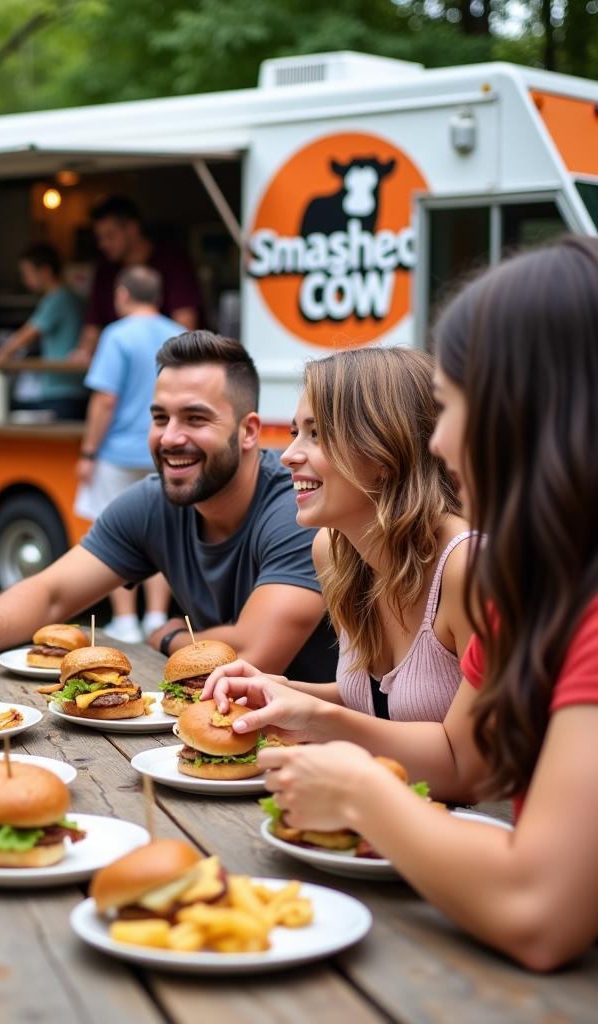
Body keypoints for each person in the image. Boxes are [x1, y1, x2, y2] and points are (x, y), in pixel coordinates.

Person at [208, 237, 598, 969]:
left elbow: (538, 913)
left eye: (453, 407)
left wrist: (359, 793)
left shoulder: (506, 578)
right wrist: (306, 706)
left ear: (532, 412)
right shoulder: (547, 583)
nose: (440, 442)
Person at [0, 330, 337, 682]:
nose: (170, 437)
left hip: (323, 751)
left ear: (249, 432)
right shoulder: (154, 501)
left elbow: (252, 655)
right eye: (159, 418)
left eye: (194, 418)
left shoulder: (296, 508)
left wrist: (168, 638)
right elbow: (51, 593)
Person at [265, 347, 474, 721]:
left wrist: (318, 719)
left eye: (317, 434)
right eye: (296, 433)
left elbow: (466, 761)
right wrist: (272, 690)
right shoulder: (332, 550)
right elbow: (377, 709)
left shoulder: (467, 567)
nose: (288, 455)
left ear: (383, 450)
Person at [74, 265, 180, 643]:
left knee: (115, 535)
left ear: (121, 295)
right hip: (167, 448)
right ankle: (154, 616)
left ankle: (124, 620)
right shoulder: (179, 335)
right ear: (159, 297)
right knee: (163, 533)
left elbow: (105, 399)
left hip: (117, 452)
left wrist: (88, 451)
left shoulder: (116, 335)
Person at [70, 196, 203, 362]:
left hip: (167, 365)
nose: (103, 244)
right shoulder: (104, 271)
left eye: (110, 236)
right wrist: (83, 352)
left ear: (132, 229)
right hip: (120, 367)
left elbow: (185, 325)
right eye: (100, 238)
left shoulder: (172, 262)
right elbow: (92, 328)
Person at [0, 243, 87, 419]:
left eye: (27, 273)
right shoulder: (70, 296)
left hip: (61, 390)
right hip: (72, 387)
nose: (24, 280)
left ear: (44, 271)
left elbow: (26, 335)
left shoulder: (58, 298)